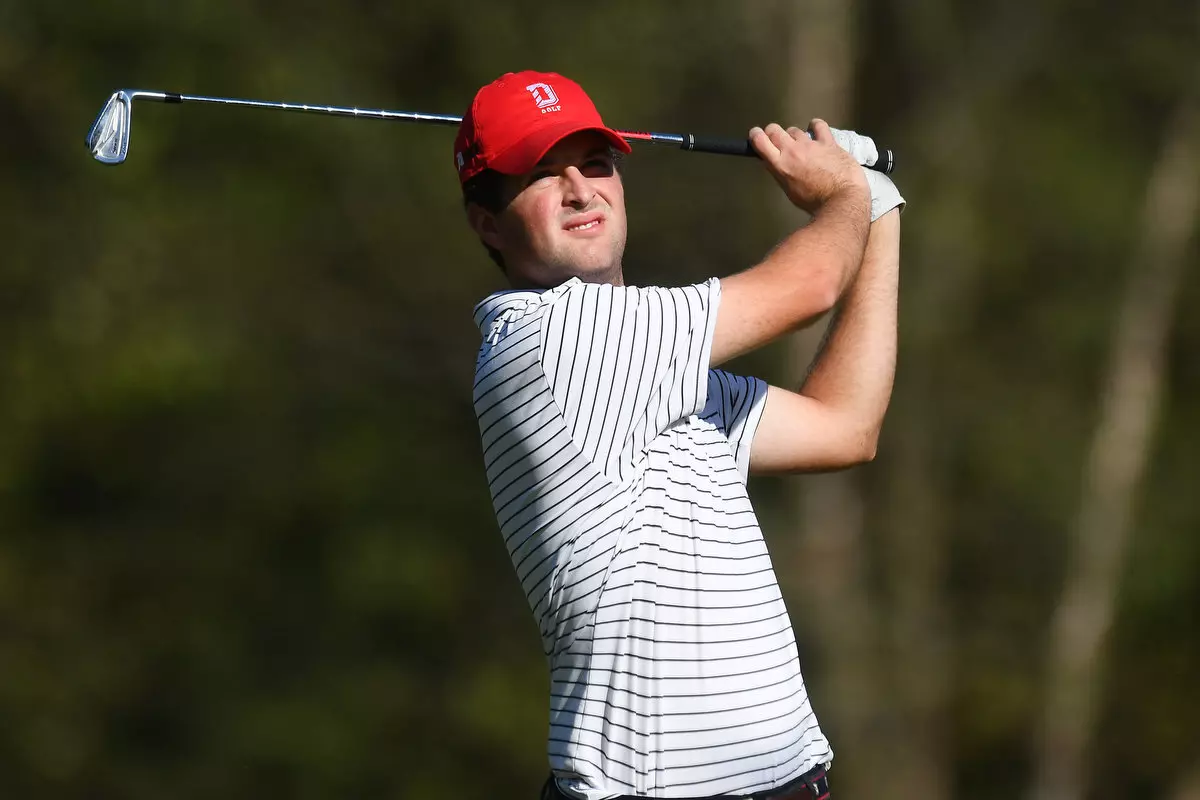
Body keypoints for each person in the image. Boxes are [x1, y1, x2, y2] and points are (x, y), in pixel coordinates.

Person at [457, 70, 903, 800]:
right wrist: (843, 196)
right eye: (541, 175)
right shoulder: (549, 340)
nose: (580, 191)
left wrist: (878, 210)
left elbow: (845, 429)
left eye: (595, 164)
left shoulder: (654, 373)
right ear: (487, 224)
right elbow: (810, 287)